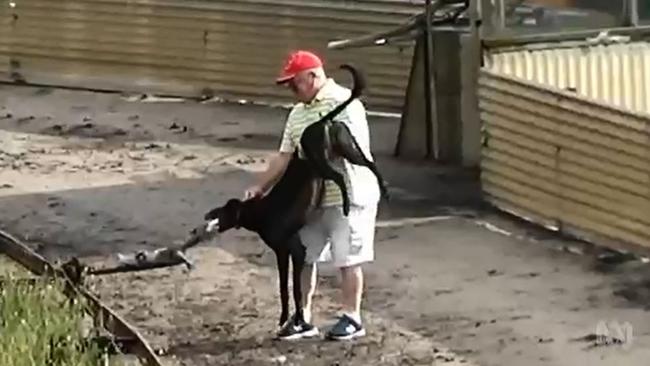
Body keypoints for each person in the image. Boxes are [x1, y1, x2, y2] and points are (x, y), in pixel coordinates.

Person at [243, 50, 380, 341]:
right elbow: (284, 155)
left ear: (313, 76)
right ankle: (303, 316)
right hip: (314, 198)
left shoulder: (346, 102)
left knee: (348, 257)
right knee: (304, 253)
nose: (292, 91)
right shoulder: (297, 114)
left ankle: (352, 317)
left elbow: (345, 146)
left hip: (350, 194)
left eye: (295, 84)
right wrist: (261, 186)